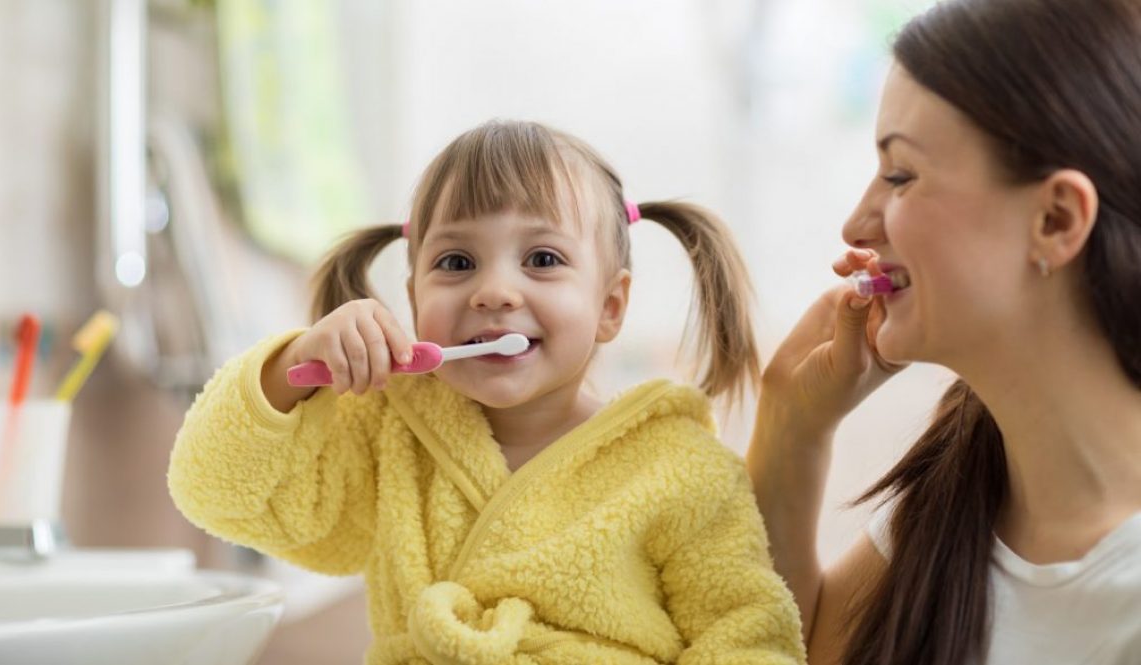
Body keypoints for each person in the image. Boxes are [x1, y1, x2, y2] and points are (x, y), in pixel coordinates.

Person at [169, 120, 804, 664]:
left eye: (543, 260)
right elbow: (220, 495)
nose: (494, 290)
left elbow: (746, 635)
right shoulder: (389, 432)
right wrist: (287, 368)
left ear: (609, 306)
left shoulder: (682, 468)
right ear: (415, 299)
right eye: (456, 263)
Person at [746, 1, 1141, 664]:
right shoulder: (953, 502)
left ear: (1055, 219)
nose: (856, 226)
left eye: (900, 174)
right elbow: (780, 647)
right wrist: (792, 422)